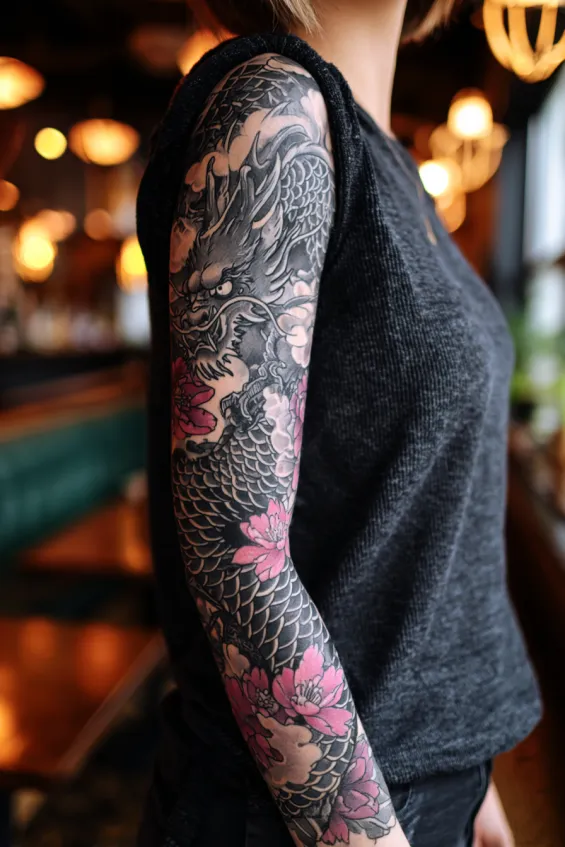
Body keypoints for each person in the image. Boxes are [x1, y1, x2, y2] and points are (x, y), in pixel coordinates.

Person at [136, 1, 542, 844]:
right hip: (303, 815)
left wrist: (465, 770)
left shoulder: (386, 157)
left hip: (420, 781)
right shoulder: (274, 107)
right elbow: (236, 554)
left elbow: (420, 519)